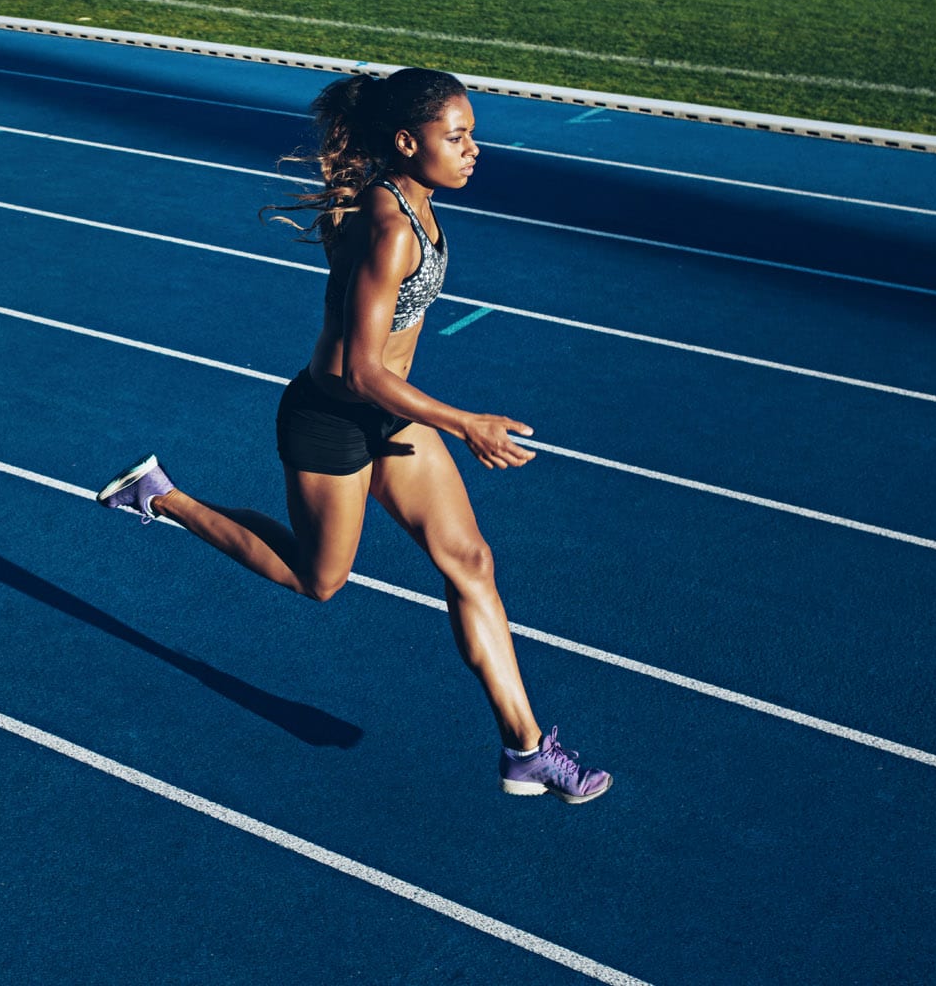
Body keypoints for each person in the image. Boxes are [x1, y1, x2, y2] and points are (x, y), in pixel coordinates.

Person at [99, 67, 609, 804]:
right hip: (333, 420)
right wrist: (465, 424)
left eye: (472, 135)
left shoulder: (408, 197)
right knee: (320, 581)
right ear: (408, 142)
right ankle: (162, 495)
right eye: (456, 136)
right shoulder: (393, 226)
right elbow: (361, 369)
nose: (474, 150)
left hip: (389, 416)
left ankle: (525, 748)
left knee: (470, 560)